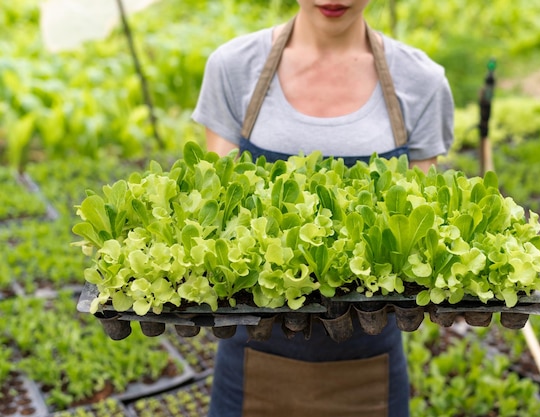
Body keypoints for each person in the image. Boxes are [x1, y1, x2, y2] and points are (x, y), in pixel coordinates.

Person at [191, 1, 455, 416]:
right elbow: (215, 215)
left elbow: (418, 232)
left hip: (369, 366)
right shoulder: (234, 68)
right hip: (251, 362)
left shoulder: (421, 82)